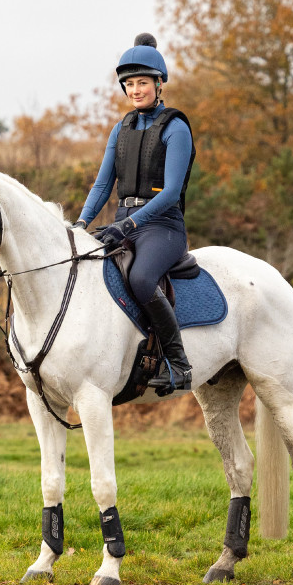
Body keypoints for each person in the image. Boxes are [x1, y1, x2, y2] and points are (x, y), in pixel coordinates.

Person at [73, 33, 195, 394]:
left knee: (142, 279)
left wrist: (127, 223)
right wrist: (81, 224)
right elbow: (101, 186)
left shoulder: (176, 128)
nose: (135, 90)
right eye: (129, 84)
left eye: (143, 82)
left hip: (163, 227)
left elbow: (171, 191)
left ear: (159, 84)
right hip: (123, 224)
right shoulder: (120, 129)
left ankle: (179, 363)